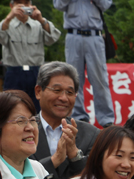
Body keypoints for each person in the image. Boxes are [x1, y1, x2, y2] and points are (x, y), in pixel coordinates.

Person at [33, 61, 100, 179]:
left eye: (69, 92)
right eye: (57, 90)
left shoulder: (91, 134)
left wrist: (75, 155)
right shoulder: (23, 131)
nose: (63, 98)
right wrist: (54, 160)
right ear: (38, 91)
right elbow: (19, 174)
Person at [53, 0, 114, 128]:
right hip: (73, 35)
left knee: (100, 79)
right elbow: (58, 5)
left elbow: (106, 4)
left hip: (95, 36)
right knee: (73, 79)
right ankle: (78, 118)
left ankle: (106, 120)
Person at [0, 0, 61, 112]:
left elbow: (53, 37)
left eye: (27, 3)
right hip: (14, 71)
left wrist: (41, 19)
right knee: (10, 107)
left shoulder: (38, 25)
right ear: (11, 5)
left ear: (32, 5)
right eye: (19, 3)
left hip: (36, 72)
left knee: (38, 107)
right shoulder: (7, 24)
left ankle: (38, 128)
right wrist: (9, 17)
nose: (23, 6)